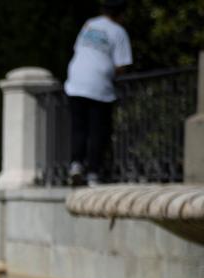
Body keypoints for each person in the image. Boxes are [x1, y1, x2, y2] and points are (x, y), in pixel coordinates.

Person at [64, 0, 133, 186]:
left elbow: (78, 50)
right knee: (97, 130)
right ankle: (93, 172)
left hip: (75, 82)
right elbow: (122, 65)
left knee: (79, 128)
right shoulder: (118, 32)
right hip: (99, 86)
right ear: (121, 13)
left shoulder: (90, 24)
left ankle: (76, 164)